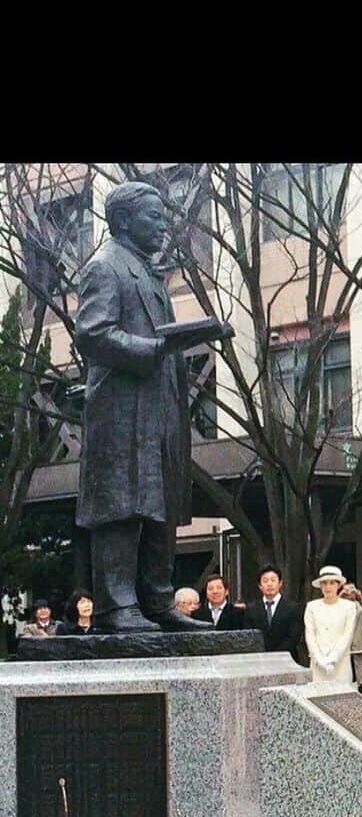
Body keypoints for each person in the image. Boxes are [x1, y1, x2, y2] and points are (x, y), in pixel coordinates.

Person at [73, 181, 233, 633]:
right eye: (154, 217)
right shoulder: (106, 266)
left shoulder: (145, 270)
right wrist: (154, 347)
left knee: (159, 502)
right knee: (122, 504)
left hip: (158, 409)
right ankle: (116, 604)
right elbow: (92, 333)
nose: (163, 225)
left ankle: (157, 600)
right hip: (122, 411)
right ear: (123, 221)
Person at [305, 565, 360, 685]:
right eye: (324, 583)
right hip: (318, 665)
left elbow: (347, 635)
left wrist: (333, 659)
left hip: (340, 665)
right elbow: (310, 635)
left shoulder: (349, 607)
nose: (328, 587)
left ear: (338, 585)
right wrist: (320, 660)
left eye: (331, 583)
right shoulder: (312, 607)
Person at [243, 564, 302, 660]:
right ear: (260, 586)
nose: (269, 584)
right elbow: (249, 637)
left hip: (286, 659)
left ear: (280, 583)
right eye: (265, 581)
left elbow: (294, 637)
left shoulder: (292, 608)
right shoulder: (251, 609)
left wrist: (275, 656)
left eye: (273, 580)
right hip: (259, 660)